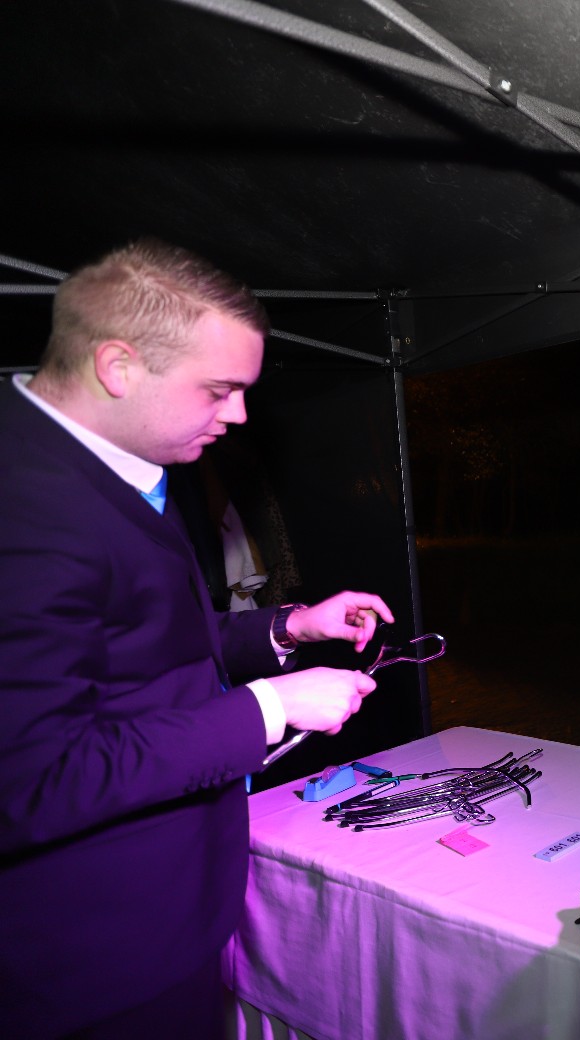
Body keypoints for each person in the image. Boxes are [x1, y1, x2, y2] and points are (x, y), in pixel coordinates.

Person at [0, 238, 394, 1037]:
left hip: (168, 913)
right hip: (95, 957)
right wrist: (270, 708)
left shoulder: (117, 463)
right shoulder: (24, 507)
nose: (240, 415)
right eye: (220, 390)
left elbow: (140, 646)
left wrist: (290, 626)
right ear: (118, 366)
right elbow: (33, 778)